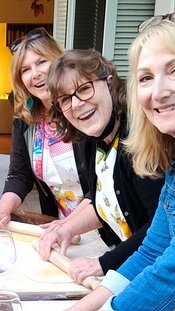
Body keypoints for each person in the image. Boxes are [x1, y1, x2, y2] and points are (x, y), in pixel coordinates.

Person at [7, 17, 175, 311]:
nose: (159, 91)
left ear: (110, 83)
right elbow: (153, 250)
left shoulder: (141, 144)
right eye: (146, 77)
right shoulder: (106, 141)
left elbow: (168, 270)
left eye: (172, 71)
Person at [35, 49, 163, 282]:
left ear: (110, 83)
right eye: (65, 99)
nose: (77, 104)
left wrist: (105, 263)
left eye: (84, 88)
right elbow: (100, 201)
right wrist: (66, 228)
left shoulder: (139, 140)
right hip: (135, 270)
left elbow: (160, 229)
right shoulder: (90, 139)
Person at [0, 28, 90, 232]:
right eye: (25, 69)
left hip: (102, 228)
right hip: (59, 229)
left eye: (41, 62)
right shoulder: (25, 119)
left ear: (59, 61)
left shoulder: (83, 110)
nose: (35, 74)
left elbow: (101, 185)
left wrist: (69, 226)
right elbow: (19, 174)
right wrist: (3, 210)